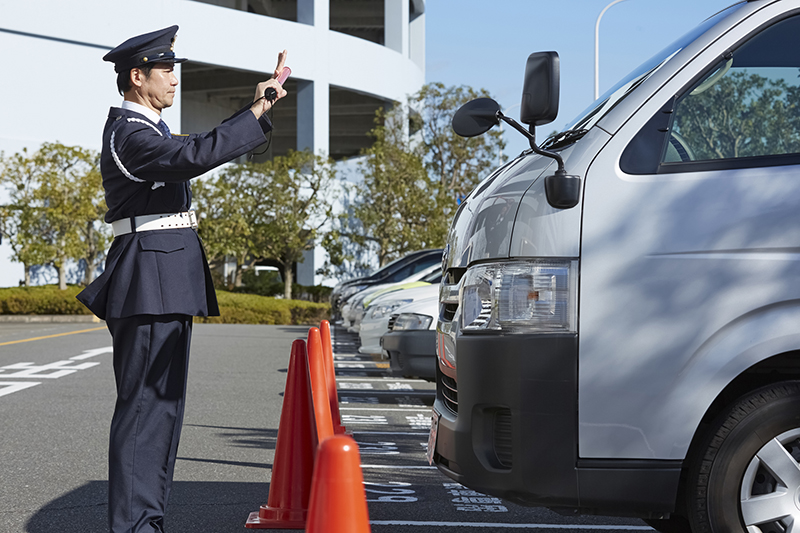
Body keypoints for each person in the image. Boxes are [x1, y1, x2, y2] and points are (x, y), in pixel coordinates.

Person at [76, 25, 287, 533]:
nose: (175, 79)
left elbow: (199, 146)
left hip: (163, 274)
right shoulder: (129, 133)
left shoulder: (151, 130)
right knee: (146, 409)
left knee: (163, 409)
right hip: (148, 277)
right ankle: (135, 527)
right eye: (166, 69)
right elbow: (191, 157)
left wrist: (258, 106)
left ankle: (146, 522)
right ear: (137, 76)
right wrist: (255, 111)